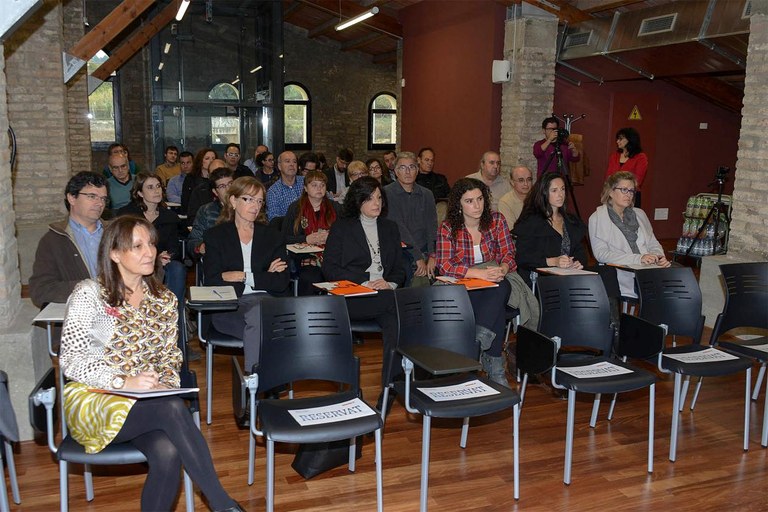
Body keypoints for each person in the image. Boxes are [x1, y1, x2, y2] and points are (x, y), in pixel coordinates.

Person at [58, 216, 243, 512]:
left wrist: (163, 384)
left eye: (152, 244)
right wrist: (123, 382)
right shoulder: (90, 294)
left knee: (168, 451)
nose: (150, 252)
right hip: (95, 398)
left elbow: (170, 357)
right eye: (138, 246)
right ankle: (222, 504)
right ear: (114, 253)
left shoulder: (164, 299)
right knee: (171, 408)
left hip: (148, 402)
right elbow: (71, 360)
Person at [322, 177, 405, 390]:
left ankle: (390, 385)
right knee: (399, 307)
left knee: (395, 320)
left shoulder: (390, 228)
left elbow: (399, 268)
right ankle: (396, 384)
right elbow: (330, 269)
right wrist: (364, 281)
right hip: (352, 296)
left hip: (384, 295)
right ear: (358, 201)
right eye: (370, 198)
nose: (376, 203)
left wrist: (390, 284)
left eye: (379, 198)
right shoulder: (342, 228)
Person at [435, 178, 515, 385]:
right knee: (496, 304)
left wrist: (502, 269)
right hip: (461, 283)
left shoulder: (497, 220)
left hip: (493, 278)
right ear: (458, 204)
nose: (477, 205)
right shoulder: (448, 227)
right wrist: (478, 274)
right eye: (469, 201)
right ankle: (495, 366)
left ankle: (478, 341)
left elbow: (508, 253)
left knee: (502, 286)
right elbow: (444, 265)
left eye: (480, 199)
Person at [203, 177, 290, 341]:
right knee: (263, 327)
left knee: (262, 323)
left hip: (267, 300)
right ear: (233, 201)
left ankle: (258, 359)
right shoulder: (216, 236)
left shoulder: (273, 236)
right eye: (249, 199)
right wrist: (265, 275)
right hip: (231, 304)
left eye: (259, 201)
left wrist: (242, 276)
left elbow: (281, 281)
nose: (255, 206)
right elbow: (212, 280)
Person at [29, 172, 108, 308]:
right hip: (80, 314)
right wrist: (91, 289)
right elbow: (40, 290)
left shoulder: (118, 232)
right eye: (92, 196)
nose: (100, 203)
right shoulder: (53, 240)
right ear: (72, 198)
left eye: (103, 198)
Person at [589, 171, 670, 298]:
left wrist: (658, 257)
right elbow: (601, 255)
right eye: (624, 190)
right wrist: (638, 258)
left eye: (631, 191)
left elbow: (653, 243)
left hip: (648, 269)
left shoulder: (640, 214)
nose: (629, 194)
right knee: (662, 293)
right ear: (610, 192)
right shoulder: (597, 218)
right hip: (620, 272)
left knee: (676, 286)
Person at [116, 172, 186, 311]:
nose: (156, 190)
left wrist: (165, 257)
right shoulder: (127, 215)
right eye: (150, 187)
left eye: (158, 186)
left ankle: (172, 313)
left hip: (164, 263)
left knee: (177, 268)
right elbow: (123, 246)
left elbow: (174, 247)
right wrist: (153, 258)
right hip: (135, 261)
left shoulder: (170, 217)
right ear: (140, 193)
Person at [512, 172, 588, 288]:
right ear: (544, 193)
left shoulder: (571, 221)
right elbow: (522, 257)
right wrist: (553, 261)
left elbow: (580, 252)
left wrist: (577, 262)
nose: (560, 194)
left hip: (569, 277)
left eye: (562, 189)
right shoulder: (531, 222)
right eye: (554, 190)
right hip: (541, 280)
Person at [282, 171, 341, 295]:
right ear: (305, 188)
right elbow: (284, 239)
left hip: (333, 259)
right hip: (305, 260)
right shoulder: (295, 209)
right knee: (310, 277)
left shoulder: (336, 208)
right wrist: (306, 239)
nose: (319, 188)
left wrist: (331, 237)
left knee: (342, 275)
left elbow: (346, 235)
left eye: (322, 185)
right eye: (314, 185)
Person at [384, 152, 436, 286]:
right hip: (401, 249)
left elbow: (432, 226)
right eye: (402, 168)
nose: (407, 172)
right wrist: (418, 257)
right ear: (396, 171)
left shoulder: (427, 194)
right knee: (407, 272)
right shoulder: (387, 193)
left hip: (424, 247)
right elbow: (399, 228)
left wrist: (433, 255)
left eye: (412, 167)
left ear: (417, 170)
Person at [187, 167, 234, 258]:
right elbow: (192, 242)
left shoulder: (246, 207)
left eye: (230, 184)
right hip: (216, 258)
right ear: (215, 192)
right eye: (222, 186)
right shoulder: (206, 211)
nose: (228, 189)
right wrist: (200, 247)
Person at [605, 127, 648, 201]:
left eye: (620, 139)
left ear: (630, 139)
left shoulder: (641, 157)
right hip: (614, 194)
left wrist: (621, 188)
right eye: (617, 139)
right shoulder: (614, 156)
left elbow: (637, 180)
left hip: (630, 195)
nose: (617, 141)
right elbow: (608, 177)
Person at [266, 151, 304, 221]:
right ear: (279, 166)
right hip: (288, 226)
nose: (292, 164)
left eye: (294, 162)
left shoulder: (306, 182)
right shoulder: (273, 192)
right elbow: (274, 221)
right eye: (287, 161)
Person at [181, 148, 217, 216]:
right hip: (195, 213)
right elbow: (185, 201)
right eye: (207, 158)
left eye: (213, 158)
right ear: (200, 161)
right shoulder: (190, 178)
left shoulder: (218, 179)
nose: (211, 161)